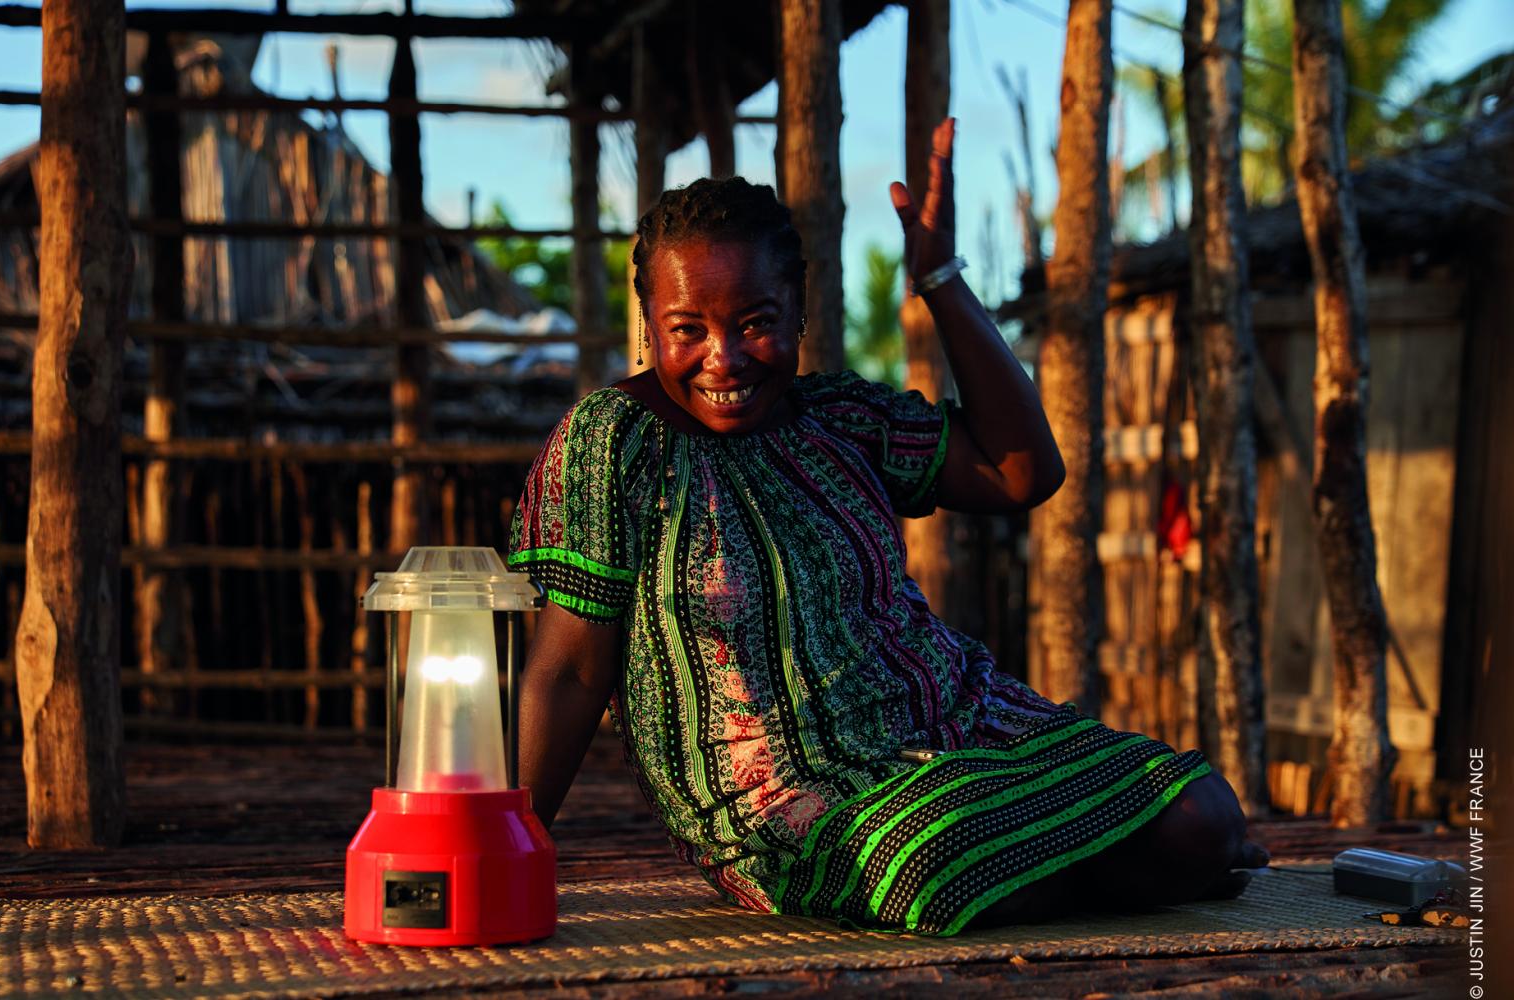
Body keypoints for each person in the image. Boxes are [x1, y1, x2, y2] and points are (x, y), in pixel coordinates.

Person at [509, 118, 1269, 935]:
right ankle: (1124, 870)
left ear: (798, 311)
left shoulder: (840, 416)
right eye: (688, 329)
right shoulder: (612, 441)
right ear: (650, 325)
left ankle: (1113, 864)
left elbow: (1024, 473)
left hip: (968, 727)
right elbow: (571, 675)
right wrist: (509, 847)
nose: (724, 358)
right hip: (790, 805)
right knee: (928, 861)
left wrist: (940, 278)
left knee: (1202, 812)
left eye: (756, 321)